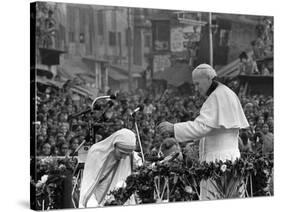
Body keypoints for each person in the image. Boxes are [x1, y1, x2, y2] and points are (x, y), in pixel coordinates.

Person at [157, 64, 249, 200]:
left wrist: (174, 128)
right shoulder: (227, 93)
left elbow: (201, 127)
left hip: (218, 160)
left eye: (197, 83)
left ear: (208, 79)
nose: (196, 88)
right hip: (230, 157)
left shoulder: (217, 96)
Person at [79, 128, 137, 208]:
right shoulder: (96, 153)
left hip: (121, 203)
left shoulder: (130, 156)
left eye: (127, 155)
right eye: (121, 153)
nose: (124, 157)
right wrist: (93, 206)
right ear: (114, 145)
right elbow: (88, 184)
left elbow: (141, 163)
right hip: (99, 202)